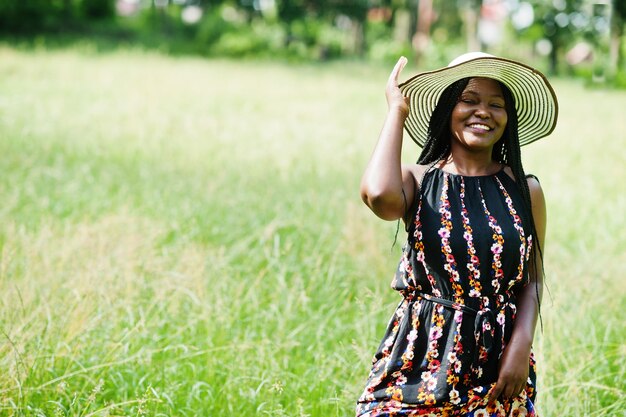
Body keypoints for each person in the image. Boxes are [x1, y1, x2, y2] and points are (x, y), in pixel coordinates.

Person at [356, 52, 558, 417]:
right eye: (468, 100)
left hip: (498, 361)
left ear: (507, 119)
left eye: (496, 104)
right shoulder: (418, 180)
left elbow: (532, 279)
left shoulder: (525, 190)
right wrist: (396, 113)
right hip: (420, 355)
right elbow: (378, 196)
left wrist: (520, 345)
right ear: (447, 108)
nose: (483, 111)